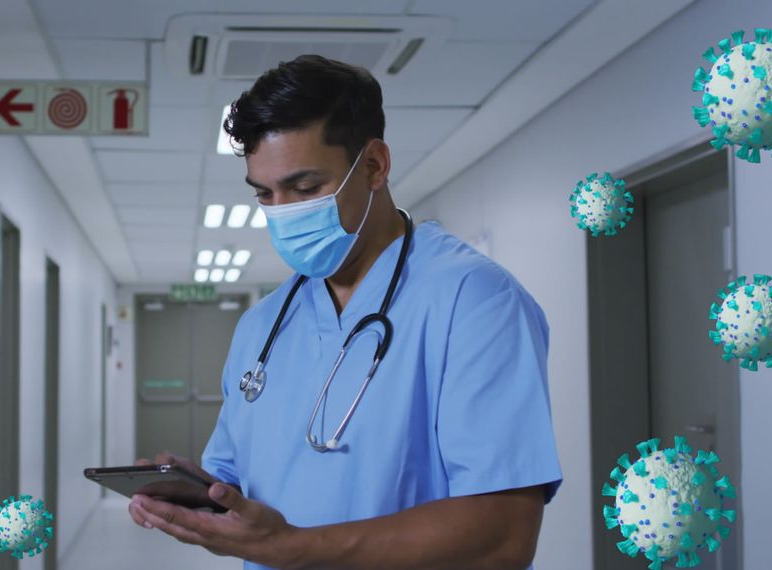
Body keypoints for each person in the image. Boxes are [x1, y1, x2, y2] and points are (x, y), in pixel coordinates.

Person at [129, 54, 562, 570]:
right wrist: (199, 493)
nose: (284, 211)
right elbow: (241, 480)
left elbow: (501, 537)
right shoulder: (262, 325)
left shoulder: (474, 300)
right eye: (265, 194)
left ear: (375, 165)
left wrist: (289, 548)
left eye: (305, 188)